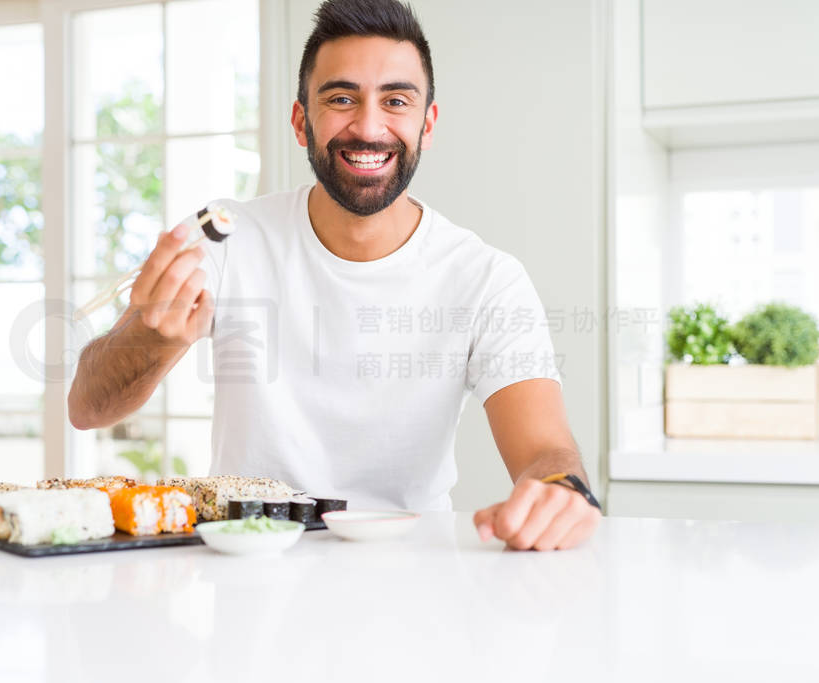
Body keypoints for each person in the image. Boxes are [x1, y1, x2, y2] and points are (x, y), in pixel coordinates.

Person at [68, 0, 601, 551]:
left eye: (396, 101)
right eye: (341, 99)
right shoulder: (225, 244)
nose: (369, 127)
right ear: (302, 122)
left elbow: (545, 451)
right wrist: (152, 336)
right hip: (250, 568)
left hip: (410, 577)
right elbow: (88, 408)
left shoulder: (487, 279)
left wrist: (559, 491)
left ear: (428, 124)